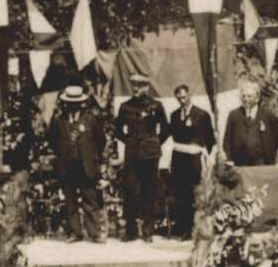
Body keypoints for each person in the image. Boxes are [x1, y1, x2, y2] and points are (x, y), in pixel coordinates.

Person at [48, 85, 106, 242]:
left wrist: (92, 157)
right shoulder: (59, 120)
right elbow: (52, 140)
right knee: (70, 201)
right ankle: (75, 232)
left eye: (76, 102)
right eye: (69, 102)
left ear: (82, 103)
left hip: (86, 166)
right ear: (65, 103)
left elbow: (101, 141)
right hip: (67, 167)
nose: (72, 105)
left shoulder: (91, 120)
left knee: (90, 200)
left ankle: (95, 233)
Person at [115, 73, 167, 242]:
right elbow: (118, 131)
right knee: (130, 192)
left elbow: (165, 129)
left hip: (151, 155)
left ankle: (147, 231)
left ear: (147, 87)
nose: (137, 88)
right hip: (132, 156)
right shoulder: (125, 107)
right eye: (134, 85)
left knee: (149, 192)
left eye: (141, 85)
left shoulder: (156, 106)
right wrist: (131, 142)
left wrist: (154, 142)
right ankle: (131, 231)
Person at [164, 85, 215, 239]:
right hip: (178, 158)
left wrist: (204, 156)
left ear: (190, 95)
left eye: (184, 97)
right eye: (179, 98)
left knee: (196, 193)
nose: (182, 100)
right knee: (180, 193)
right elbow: (168, 135)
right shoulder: (173, 116)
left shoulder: (202, 115)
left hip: (194, 159)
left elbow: (210, 139)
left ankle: (196, 228)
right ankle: (182, 228)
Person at [222, 81, 278, 167]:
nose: (246, 99)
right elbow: (227, 141)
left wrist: (272, 156)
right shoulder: (234, 115)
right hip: (240, 163)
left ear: (257, 98)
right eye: (243, 96)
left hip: (262, 162)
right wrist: (229, 159)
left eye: (249, 96)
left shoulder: (267, 115)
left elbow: (277, 136)